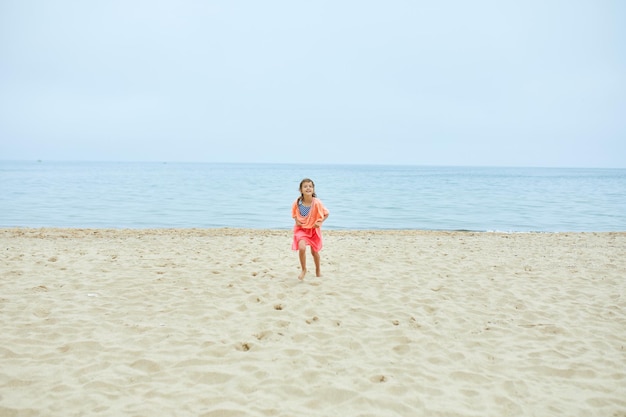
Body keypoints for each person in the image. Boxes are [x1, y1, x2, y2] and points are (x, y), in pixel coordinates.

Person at [291, 178, 329, 280]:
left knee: (314, 252)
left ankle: (318, 270)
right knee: (302, 248)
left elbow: (326, 213)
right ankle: (304, 269)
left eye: (310, 186)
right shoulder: (297, 202)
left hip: (313, 230)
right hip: (301, 229)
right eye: (305, 186)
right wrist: (296, 220)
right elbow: (294, 213)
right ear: (301, 190)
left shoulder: (317, 203)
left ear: (313, 189)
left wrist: (320, 222)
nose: (308, 188)